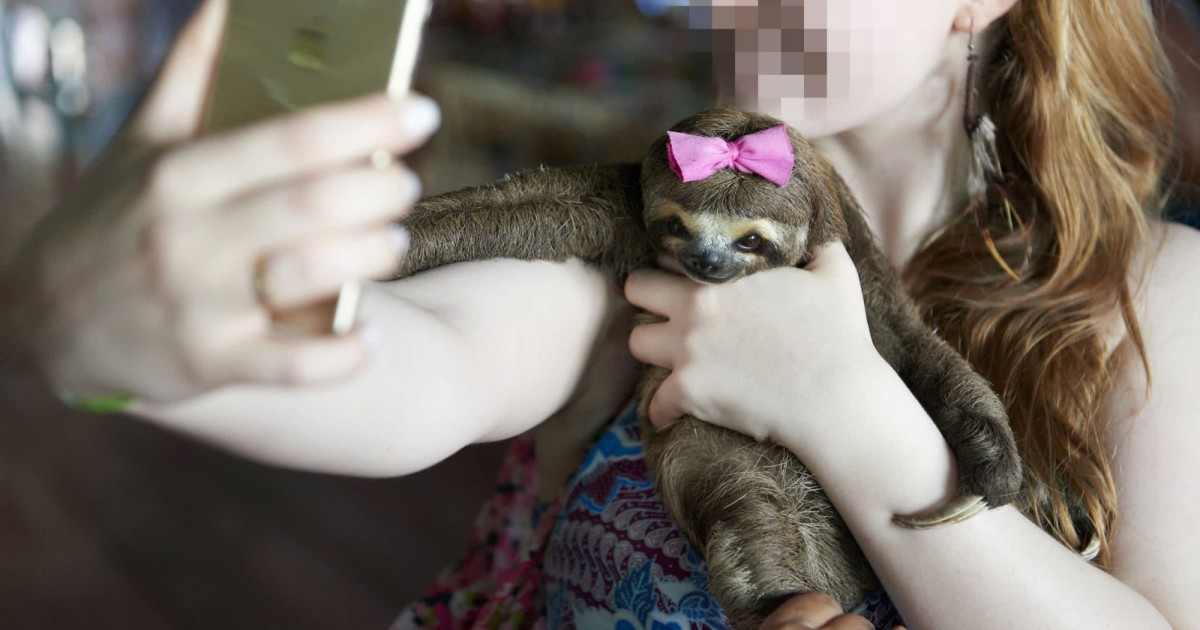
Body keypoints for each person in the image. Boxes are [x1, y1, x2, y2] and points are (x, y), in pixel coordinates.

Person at [1, 0, 1197, 627]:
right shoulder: (655, 221)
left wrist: (851, 412)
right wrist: (113, 343)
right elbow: (422, 369)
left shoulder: (1151, 301)